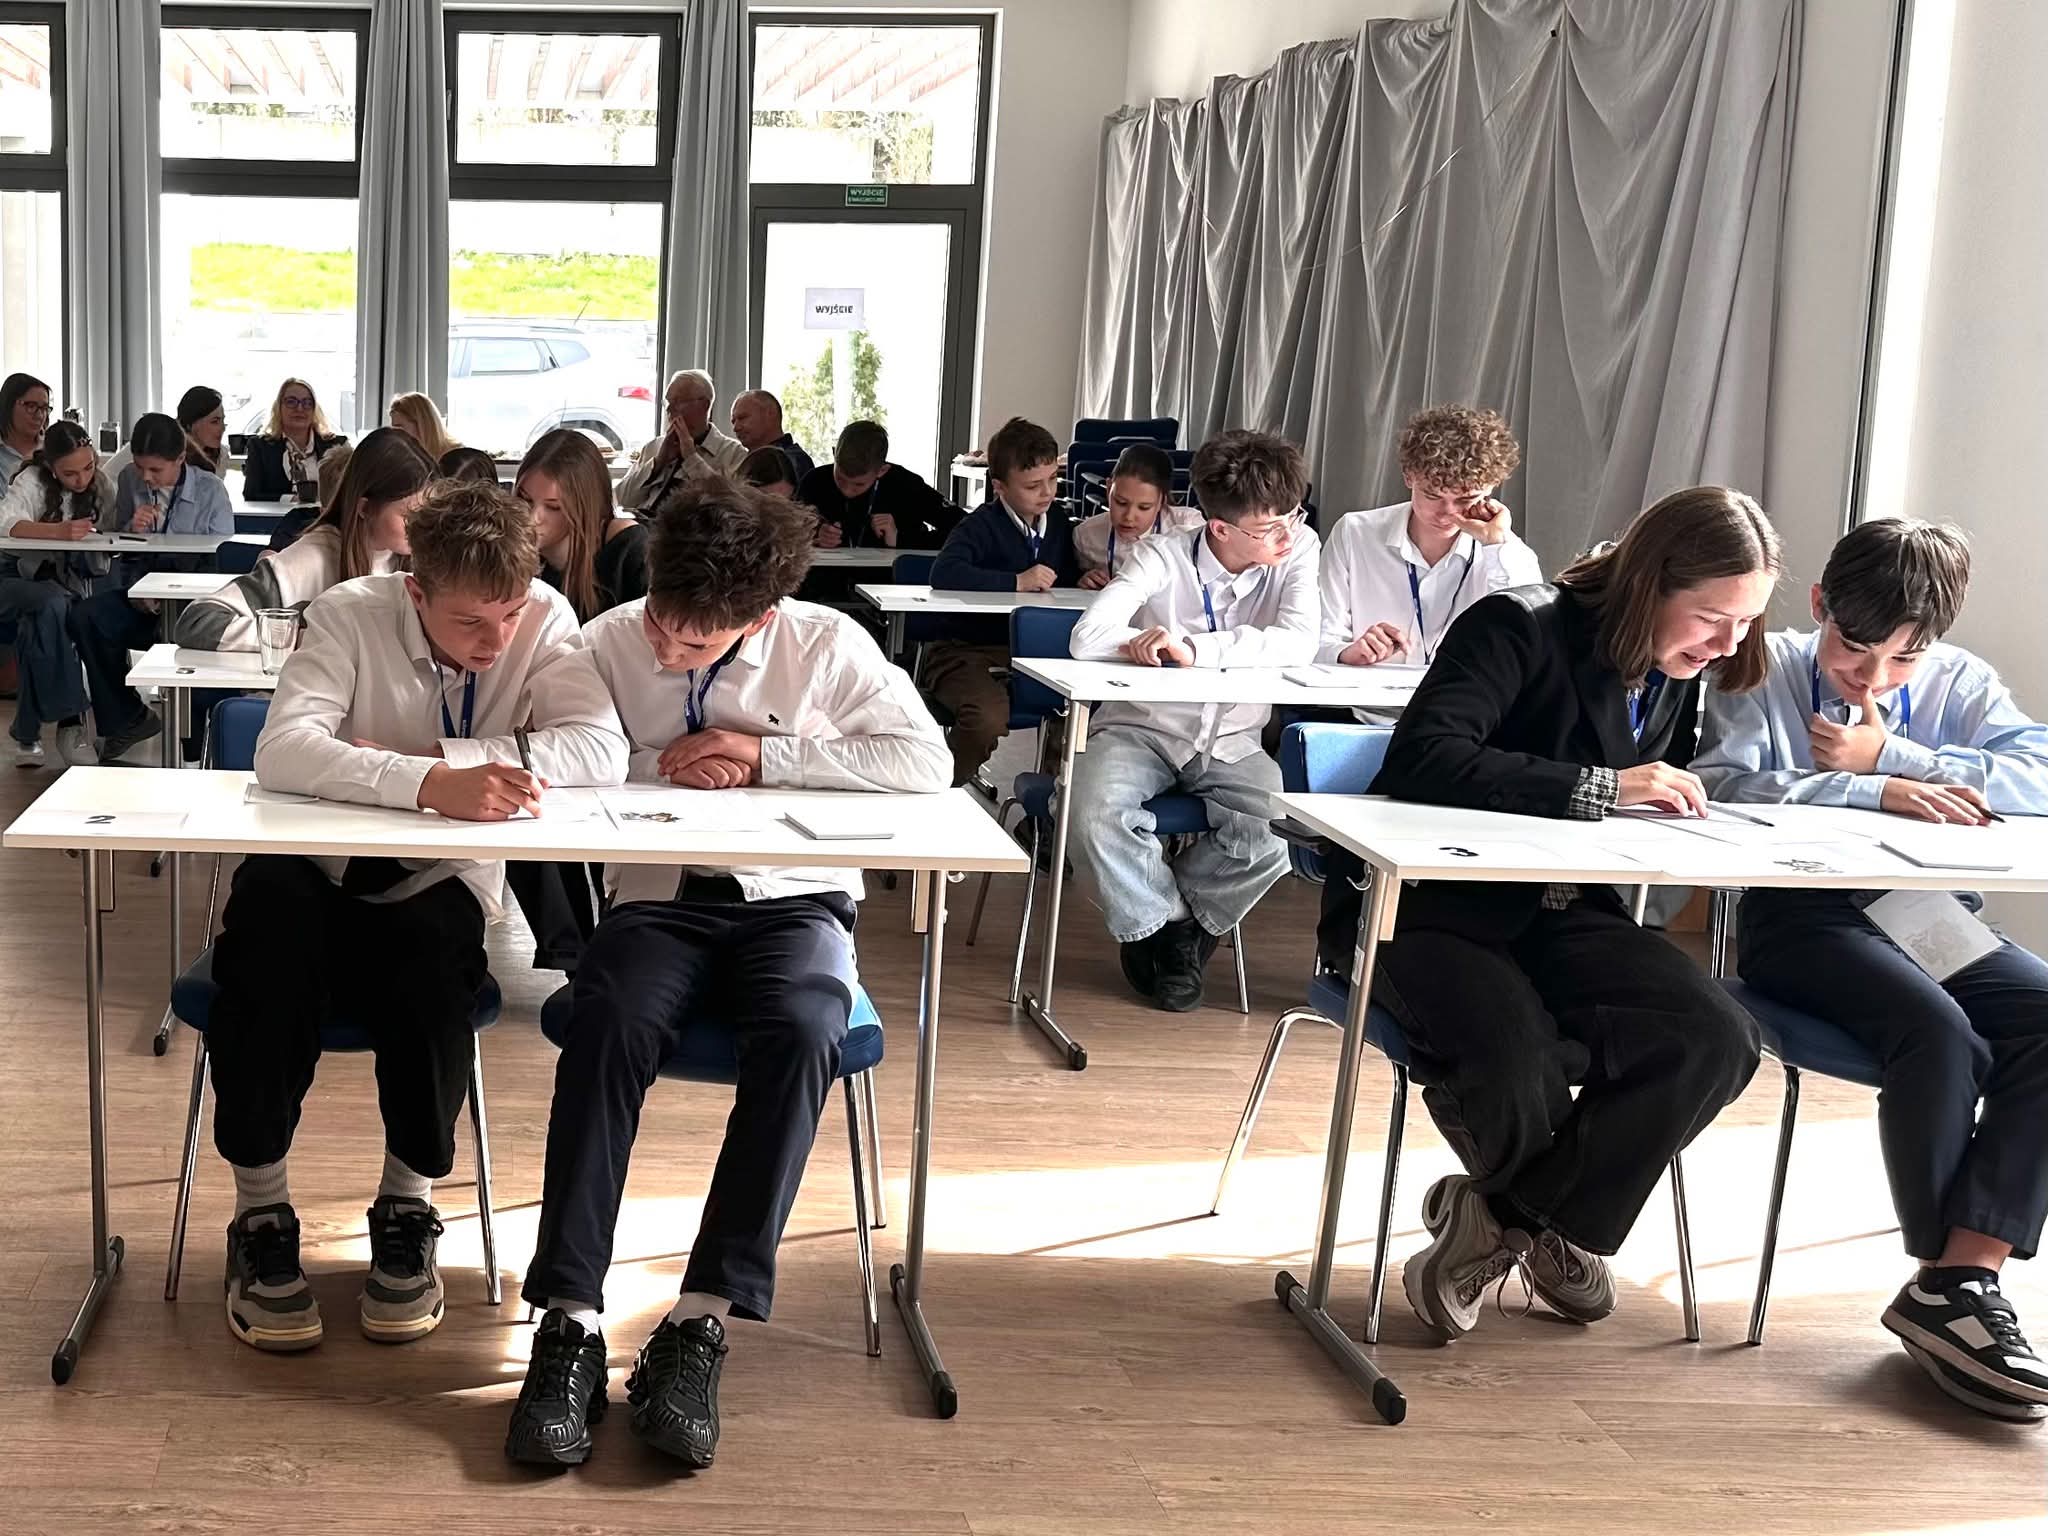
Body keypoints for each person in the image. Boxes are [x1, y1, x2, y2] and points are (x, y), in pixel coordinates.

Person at [505, 479, 949, 1469]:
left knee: (805, 1028)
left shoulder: (825, 644)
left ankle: (700, 1317)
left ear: (762, 616)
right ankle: (570, 1318)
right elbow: (574, 760)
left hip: (793, 899)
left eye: (696, 641)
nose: (667, 649)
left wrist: (764, 755)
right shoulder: (606, 640)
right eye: (661, 622)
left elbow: (924, 763)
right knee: (607, 1017)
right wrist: (656, 760)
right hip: (658, 897)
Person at [1315, 485, 1774, 1342]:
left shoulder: (1677, 669)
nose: (1728, 645)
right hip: (1424, 909)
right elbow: (1424, 757)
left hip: (1564, 910)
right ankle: (1548, 1223)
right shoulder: (1517, 624)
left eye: (1746, 623)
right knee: (1515, 1053)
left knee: (1717, 1037)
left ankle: (1507, 1220)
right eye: (1715, 619)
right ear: (1650, 583)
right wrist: (1602, 787)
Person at [206, 478, 627, 1355]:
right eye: (471, 621)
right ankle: (260, 1213)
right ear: (416, 590)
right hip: (311, 867)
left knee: (435, 972)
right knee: (265, 959)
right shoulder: (350, 613)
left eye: (509, 615)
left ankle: (408, 1204)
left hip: (436, 878)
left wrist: (442, 756)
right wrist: (429, 784)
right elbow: (284, 749)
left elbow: (600, 750)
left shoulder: (545, 618)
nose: (496, 642)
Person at [1694, 518, 2048, 1419]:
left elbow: (2041, 777)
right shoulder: (1760, 665)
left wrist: (1896, 753)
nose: (1874, 678)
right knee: (1940, 1035)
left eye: (1904, 659)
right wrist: (1871, 788)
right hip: (1800, 917)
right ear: (1820, 604)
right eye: (1856, 649)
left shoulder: (1961, 680)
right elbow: (1721, 783)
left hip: (1927, 914)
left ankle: (1960, 1279)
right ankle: (1951, 1291)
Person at [1066, 430, 1319, 1012]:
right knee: (1092, 813)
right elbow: (1087, 637)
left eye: (1291, 518)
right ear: (1220, 528)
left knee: (1282, 832)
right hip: (1142, 729)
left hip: (1233, 739)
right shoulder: (1162, 555)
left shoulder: (1298, 547)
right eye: (1268, 528)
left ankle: (1175, 926)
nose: (1286, 535)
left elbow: (1300, 641)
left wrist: (1195, 648)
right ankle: (1166, 925)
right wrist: (1140, 641)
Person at [504, 427, 650, 972]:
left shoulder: (632, 552)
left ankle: (599, 956)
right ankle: (575, 958)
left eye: (552, 507)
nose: (532, 518)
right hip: (561, 729)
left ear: (585, 507)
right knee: (521, 799)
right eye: (524, 499)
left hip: (630, 731)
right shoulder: (525, 555)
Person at [66, 414, 235, 761]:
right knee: (87, 616)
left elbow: (220, 565)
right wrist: (132, 532)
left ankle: (193, 745)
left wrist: (170, 591)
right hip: (141, 598)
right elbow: (121, 553)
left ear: (180, 459)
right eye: (140, 467)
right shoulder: (129, 481)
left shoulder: (211, 491)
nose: (146, 477)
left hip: (192, 607)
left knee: (185, 639)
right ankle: (127, 718)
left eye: (156, 470)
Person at [1318, 405, 1540, 667]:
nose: (1447, 513)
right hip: (1362, 693)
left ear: (1490, 487)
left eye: (1465, 499)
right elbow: (1318, 638)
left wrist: (1496, 544)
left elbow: (1525, 642)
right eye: (1432, 496)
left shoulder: (1509, 555)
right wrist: (1346, 652)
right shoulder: (1354, 533)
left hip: (1463, 694)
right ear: (1408, 477)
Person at [176, 427, 433, 651]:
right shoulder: (312, 557)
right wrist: (301, 638)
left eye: (428, 511)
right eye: (408, 515)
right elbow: (198, 622)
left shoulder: (420, 554)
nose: (423, 525)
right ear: (364, 508)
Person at [926, 415, 1079, 785]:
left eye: (1053, 480)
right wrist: (1016, 581)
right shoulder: (980, 525)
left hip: (1033, 654)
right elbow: (944, 573)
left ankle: (1048, 805)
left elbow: (1064, 579)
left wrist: (1083, 579)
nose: (1047, 492)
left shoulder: (1058, 522)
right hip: (965, 651)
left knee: (1076, 710)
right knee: (986, 717)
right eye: (1032, 486)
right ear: (999, 487)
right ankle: (938, 786)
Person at [0, 420, 112, 767]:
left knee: (42, 620)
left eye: (88, 467)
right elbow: (5, 524)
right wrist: (57, 532)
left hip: (59, 582)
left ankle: (28, 733)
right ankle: (70, 724)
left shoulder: (101, 485)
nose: (82, 479)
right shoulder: (31, 480)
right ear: (50, 467)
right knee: (54, 604)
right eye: (70, 473)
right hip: (10, 577)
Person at [796, 420, 957, 551]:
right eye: (840, 479)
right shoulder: (814, 481)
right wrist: (814, 535)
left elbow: (963, 531)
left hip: (888, 579)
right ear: (833, 454)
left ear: (882, 470)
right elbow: (788, 534)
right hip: (827, 579)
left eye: (859, 484)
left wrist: (900, 539)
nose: (847, 490)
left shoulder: (905, 485)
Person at [1073, 442, 1201, 589]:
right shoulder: (1086, 536)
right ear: (1108, 490)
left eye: (1144, 507)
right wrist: (1084, 581)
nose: (1129, 517)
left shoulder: (1188, 526)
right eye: (1121, 503)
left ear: (1161, 502)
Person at [617, 370, 746, 512]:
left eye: (678, 401)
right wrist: (658, 463)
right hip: (642, 521)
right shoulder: (654, 447)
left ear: (704, 405)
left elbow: (729, 508)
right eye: (668, 402)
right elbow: (619, 499)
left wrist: (691, 458)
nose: (669, 409)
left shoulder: (733, 453)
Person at [241, 378, 348, 503]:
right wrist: (292, 500)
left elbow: (351, 491)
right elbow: (251, 494)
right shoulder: (260, 446)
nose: (300, 408)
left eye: (307, 403)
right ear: (279, 407)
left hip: (326, 514)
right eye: (291, 402)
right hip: (279, 515)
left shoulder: (337, 445)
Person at [728, 388, 816, 482]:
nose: (736, 428)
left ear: (770, 413)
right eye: (733, 422)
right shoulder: (737, 462)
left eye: (742, 418)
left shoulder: (793, 462)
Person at [0, 371, 52, 483]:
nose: (39, 416)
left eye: (44, 408)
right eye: (31, 406)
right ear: (8, 405)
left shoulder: (54, 448)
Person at [175, 386, 229, 478]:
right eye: (215, 421)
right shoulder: (171, 454)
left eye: (223, 420)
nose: (223, 428)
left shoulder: (221, 455)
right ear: (190, 423)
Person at [389, 392, 460, 462]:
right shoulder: (403, 457)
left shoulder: (457, 458)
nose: (394, 434)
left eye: (399, 427)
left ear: (421, 424)